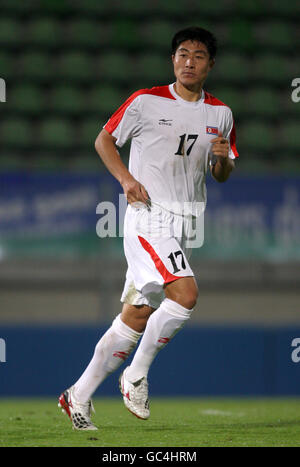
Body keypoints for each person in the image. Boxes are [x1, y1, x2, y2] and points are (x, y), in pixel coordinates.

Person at [58, 26, 239, 430]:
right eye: (181, 54)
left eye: (197, 55)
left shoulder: (221, 114)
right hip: (148, 215)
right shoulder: (144, 101)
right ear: (173, 60)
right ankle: (135, 375)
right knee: (186, 294)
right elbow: (104, 140)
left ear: (211, 64)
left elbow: (221, 173)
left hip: (186, 221)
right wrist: (125, 180)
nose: (188, 61)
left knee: (138, 315)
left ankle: (78, 396)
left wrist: (222, 159)